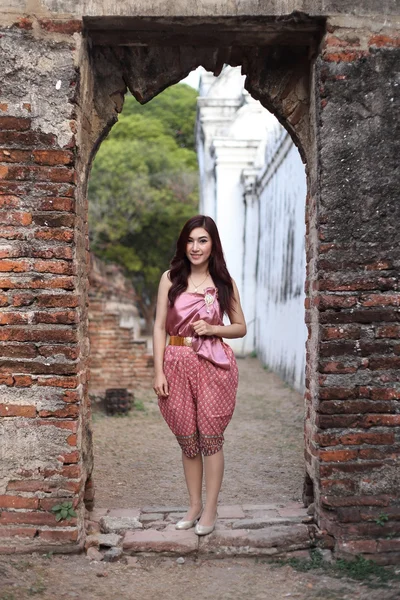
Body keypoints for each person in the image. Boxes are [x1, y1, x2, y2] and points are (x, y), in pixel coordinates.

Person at [152, 215, 246, 536]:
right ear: (183, 244)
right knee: (187, 440)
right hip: (175, 360)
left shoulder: (222, 282)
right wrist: (158, 370)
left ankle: (210, 508)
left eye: (202, 241)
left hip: (211, 362)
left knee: (210, 438)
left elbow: (240, 326)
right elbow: (158, 327)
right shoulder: (170, 278)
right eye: (190, 240)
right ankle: (193, 505)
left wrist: (213, 328)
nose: (195, 247)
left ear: (212, 245)